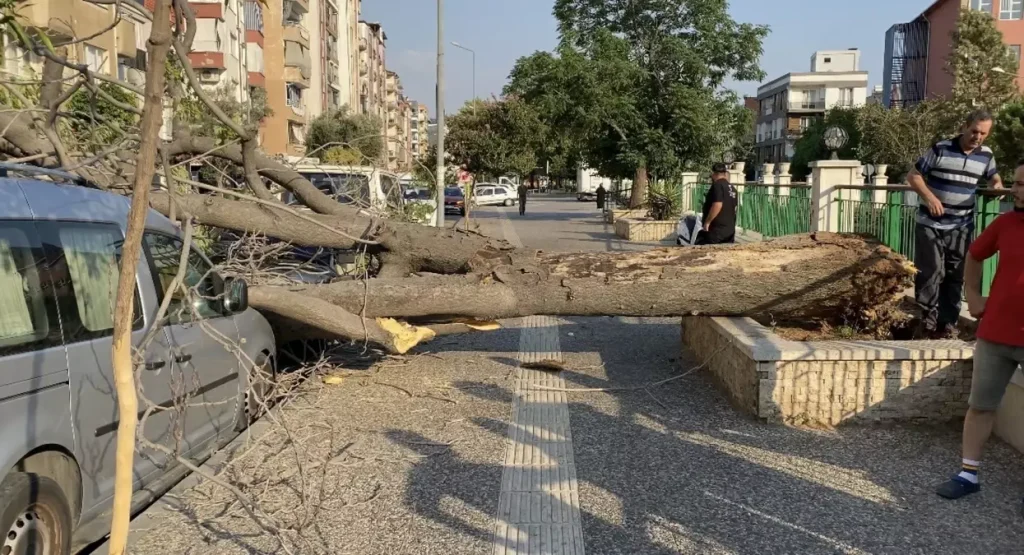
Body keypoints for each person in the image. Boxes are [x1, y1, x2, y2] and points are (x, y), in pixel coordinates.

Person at [934, 164, 1024, 502]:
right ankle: (967, 474)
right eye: (1014, 183)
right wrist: (972, 295)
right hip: (996, 334)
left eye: (1020, 185)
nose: (1012, 190)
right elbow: (974, 255)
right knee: (980, 406)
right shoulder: (1005, 223)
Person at [908, 110, 1003, 339]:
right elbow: (913, 176)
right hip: (930, 223)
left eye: (983, 133)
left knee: (955, 274)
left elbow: (994, 177)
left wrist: (997, 185)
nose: (977, 137)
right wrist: (930, 198)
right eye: (974, 131)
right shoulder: (941, 148)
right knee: (931, 272)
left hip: (961, 225)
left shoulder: (986, 155)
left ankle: (947, 324)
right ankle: (928, 322)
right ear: (965, 126)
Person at [696, 162, 737, 245]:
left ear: (714, 174)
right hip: (729, 230)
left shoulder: (717, 185)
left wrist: (707, 222)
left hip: (716, 230)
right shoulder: (732, 188)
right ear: (725, 174)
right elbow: (735, 208)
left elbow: (717, 204)